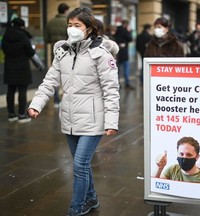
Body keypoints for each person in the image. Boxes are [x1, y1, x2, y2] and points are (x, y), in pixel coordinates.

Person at [27, 7, 120, 216]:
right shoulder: (63, 51)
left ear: (89, 29)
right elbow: (50, 81)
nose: (72, 29)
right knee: (82, 165)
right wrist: (36, 104)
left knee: (79, 164)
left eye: (77, 25)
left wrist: (112, 122)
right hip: (69, 118)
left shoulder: (101, 54)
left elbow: (111, 90)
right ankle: (92, 197)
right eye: (69, 25)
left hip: (94, 119)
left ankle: (77, 207)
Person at [2, 17, 37, 123]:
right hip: (22, 66)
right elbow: (31, 52)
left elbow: (3, 48)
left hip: (9, 65)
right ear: (22, 26)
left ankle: (11, 114)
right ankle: (22, 115)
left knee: (10, 90)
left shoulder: (6, 35)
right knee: (22, 90)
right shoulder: (23, 35)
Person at [44, 3, 69, 108]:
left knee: (56, 74)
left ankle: (56, 99)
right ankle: (66, 98)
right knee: (67, 75)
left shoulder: (50, 23)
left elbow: (47, 39)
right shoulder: (68, 23)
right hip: (67, 51)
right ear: (66, 11)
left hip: (55, 51)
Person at [115, 20, 134, 89]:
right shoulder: (125, 31)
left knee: (118, 69)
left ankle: (117, 83)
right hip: (124, 52)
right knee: (126, 68)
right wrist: (129, 31)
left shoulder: (117, 30)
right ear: (126, 24)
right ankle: (127, 84)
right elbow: (130, 38)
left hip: (116, 52)